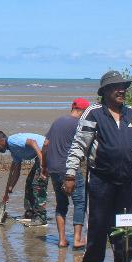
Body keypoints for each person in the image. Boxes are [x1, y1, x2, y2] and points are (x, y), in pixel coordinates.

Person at [64, 70, 132, 262]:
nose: (122, 90)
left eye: (124, 87)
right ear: (105, 91)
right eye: (117, 87)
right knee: (98, 223)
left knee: (125, 224)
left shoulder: (131, 114)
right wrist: (70, 174)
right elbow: (79, 145)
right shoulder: (94, 112)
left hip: (125, 180)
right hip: (100, 179)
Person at [45, 98, 89, 250]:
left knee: (61, 204)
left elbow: (46, 144)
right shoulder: (80, 124)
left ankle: (62, 239)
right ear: (83, 112)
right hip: (69, 169)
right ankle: (77, 239)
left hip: (53, 168)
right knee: (80, 202)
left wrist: (44, 167)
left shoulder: (58, 121)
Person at [0, 130, 48, 226]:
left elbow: (32, 142)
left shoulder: (12, 141)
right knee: (29, 182)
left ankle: (41, 218)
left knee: (38, 184)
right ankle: (31, 213)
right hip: (41, 155)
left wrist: (42, 162)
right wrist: (10, 188)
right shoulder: (14, 152)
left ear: (0, 141)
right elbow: (17, 171)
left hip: (47, 151)